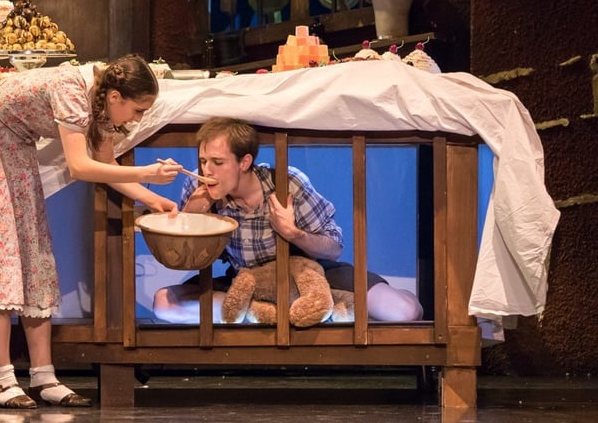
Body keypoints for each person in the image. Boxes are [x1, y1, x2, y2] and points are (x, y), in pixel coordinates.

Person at [0, 55, 182, 408]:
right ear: (116, 97)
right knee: (1, 256)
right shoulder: (73, 89)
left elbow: (105, 164)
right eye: (138, 110)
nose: (137, 119)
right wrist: (145, 173)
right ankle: (2, 377)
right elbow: (80, 167)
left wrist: (153, 198)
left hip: (16, 146)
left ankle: (43, 375)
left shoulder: (100, 100)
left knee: (33, 253)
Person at [152, 117, 423, 324]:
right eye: (202, 161)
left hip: (311, 274)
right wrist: (194, 216)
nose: (206, 171)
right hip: (247, 280)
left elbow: (334, 246)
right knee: (164, 303)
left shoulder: (286, 182)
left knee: (404, 311)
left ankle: (319, 305)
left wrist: (294, 234)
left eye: (217, 162)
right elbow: (182, 258)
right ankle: (267, 313)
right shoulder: (197, 190)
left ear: (244, 162)